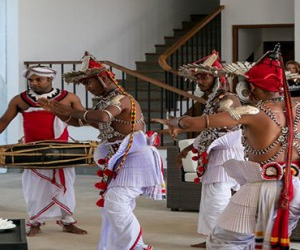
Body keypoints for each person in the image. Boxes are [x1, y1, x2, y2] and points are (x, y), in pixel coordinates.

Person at [153, 49, 300, 249]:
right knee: (266, 242)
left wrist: (173, 121)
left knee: (223, 242)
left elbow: (193, 124)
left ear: (252, 87)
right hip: (294, 188)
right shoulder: (297, 107)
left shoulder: (252, 112)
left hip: (262, 189)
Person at [38, 52, 165, 250]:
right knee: (112, 205)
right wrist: (56, 111)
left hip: (135, 157)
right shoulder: (106, 101)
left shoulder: (121, 99)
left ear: (103, 79)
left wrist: (69, 110)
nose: (87, 88)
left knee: (116, 202)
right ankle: (120, 246)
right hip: (120, 157)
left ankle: (138, 247)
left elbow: (104, 117)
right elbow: (82, 121)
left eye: (89, 83)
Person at [0, 65, 88, 237]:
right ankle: (35, 222)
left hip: (61, 152)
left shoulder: (68, 98)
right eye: (31, 80)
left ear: (50, 79)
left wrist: (61, 110)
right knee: (34, 188)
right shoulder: (20, 100)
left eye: (38, 79)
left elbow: (83, 118)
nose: (33, 83)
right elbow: (4, 120)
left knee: (65, 186)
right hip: (32, 151)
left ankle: (68, 221)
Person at [174, 50, 245, 248]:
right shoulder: (213, 100)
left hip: (226, 156)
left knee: (217, 201)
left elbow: (226, 126)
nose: (199, 81)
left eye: (204, 76)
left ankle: (221, 243)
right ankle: (212, 240)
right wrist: (187, 149)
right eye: (197, 77)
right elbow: (209, 130)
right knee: (210, 201)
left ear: (217, 78)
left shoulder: (226, 98)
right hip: (218, 155)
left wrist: (191, 139)